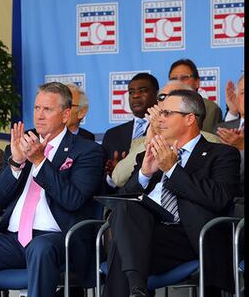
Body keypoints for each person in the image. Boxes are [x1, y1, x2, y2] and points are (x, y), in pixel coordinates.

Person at [0, 82, 106, 297]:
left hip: (58, 237)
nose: (39, 115)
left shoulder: (88, 151)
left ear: (66, 115)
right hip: (14, 238)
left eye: (47, 109)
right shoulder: (22, 142)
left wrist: (40, 161)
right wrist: (16, 163)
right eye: (37, 108)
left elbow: (73, 200)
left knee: (41, 248)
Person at [103, 89, 240, 297]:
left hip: (190, 237)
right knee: (127, 213)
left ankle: (136, 287)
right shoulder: (148, 155)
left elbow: (219, 198)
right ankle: (136, 287)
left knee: (122, 248)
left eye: (167, 113)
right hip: (145, 233)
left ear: (189, 119)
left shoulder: (221, 154)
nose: (159, 119)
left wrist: (172, 170)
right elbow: (123, 199)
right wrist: (145, 174)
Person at [110, 80, 221, 187]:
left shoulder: (209, 140)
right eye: (161, 97)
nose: (165, 102)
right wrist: (149, 143)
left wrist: (171, 168)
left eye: (172, 96)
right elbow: (118, 179)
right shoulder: (140, 142)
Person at [102, 73, 159, 190]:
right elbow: (101, 182)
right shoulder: (112, 134)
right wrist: (113, 175)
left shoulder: (163, 129)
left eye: (142, 91)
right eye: (131, 92)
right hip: (119, 203)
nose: (135, 96)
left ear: (156, 94)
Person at [168, 58, 223, 132]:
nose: (179, 82)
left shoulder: (210, 109)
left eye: (184, 77)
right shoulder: (164, 106)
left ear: (197, 82)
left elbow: (206, 138)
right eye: (174, 79)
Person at [216, 74, 244, 216]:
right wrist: (233, 112)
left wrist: (242, 148)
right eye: (243, 93)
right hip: (218, 199)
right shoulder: (221, 129)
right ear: (236, 98)